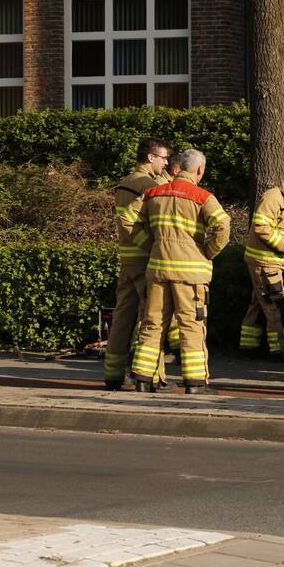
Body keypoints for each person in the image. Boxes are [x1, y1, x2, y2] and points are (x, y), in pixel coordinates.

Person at [122, 149, 231, 394]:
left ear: (178, 167)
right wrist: (209, 251)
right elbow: (223, 224)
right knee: (191, 326)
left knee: (153, 324)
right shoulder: (202, 196)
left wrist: (150, 245)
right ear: (199, 170)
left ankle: (142, 379)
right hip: (190, 275)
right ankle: (195, 383)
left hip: (158, 269)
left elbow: (127, 220)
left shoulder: (153, 192)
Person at [103, 137, 170, 391]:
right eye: (162, 157)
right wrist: (151, 245)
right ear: (150, 158)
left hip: (127, 259)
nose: (165, 163)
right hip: (144, 261)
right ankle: (153, 376)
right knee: (151, 317)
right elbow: (133, 221)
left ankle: (113, 374)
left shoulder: (125, 182)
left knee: (122, 317)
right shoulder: (147, 184)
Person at [240, 173, 284, 357]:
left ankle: (248, 347)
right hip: (264, 261)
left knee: (259, 302)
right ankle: (280, 350)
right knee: (275, 305)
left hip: (269, 261)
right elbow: (261, 227)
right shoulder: (273, 198)